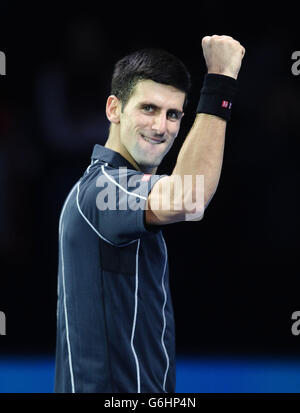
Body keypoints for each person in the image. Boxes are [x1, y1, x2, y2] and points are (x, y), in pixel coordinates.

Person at [54, 35, 245, 393]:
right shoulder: (102, 190)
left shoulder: (109, 189)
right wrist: (220, 79)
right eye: (149, 109)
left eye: (173, 114)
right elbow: (189, 198)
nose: (162, 127)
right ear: (114, 109)